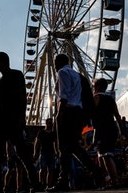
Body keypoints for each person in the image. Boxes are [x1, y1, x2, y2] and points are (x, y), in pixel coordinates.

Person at [0, 51, 40, 193]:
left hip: (11, 121)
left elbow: (22, 97)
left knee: (19, 155)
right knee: (18, 155)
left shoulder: (16, 76)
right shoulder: (0, 81)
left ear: (2, 61)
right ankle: (33, 183)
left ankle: (34, 183)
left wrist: (21, 118)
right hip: (2, 122)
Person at [46, 53, 101, 192]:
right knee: (73, 147)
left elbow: (63, 95)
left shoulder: (63, 72)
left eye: (55, 61)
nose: (54, 64)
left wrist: (59, 114)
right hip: (78, 113)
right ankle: (96, 172)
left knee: (63, 148)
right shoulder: (77, 75)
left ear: (59, 61)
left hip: (67, 113)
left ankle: (63, 181)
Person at [91, 78, 125, 189]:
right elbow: (117, 116)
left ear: (96, 87)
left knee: (105, 156)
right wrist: (122, 131)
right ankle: (107, 181)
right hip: (112, 129)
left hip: (102, 129)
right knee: (101, 156)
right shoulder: (110, 99)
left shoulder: (96, 98)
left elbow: (89, 113)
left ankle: (114, 181)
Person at [33, 118, 57, 190]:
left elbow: (55, 143)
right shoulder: (41, 132)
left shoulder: (53, 133)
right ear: (46, 123)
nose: (51, 124)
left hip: (51, 153)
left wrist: (57, 152)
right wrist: (35, 153)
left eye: (51, 123)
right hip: (43, 152)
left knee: (50, 170)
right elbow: (37, 143)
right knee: (42, 169)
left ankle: (48, 185)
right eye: (49, 123)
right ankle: (41, 183)